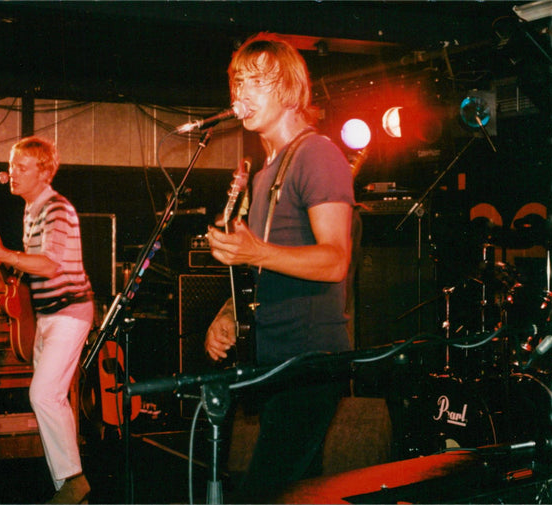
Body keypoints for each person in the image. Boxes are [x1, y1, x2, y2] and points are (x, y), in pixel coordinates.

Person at [204, 33, 355, 502]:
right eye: (237, 83)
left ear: (289, 89)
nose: (239, 96)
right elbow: (266, 268)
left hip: (309, 361)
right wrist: (230, 312)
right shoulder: (268, 171)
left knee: (264, 494)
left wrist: (254, 253)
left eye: (254, 83)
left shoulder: (319, 154)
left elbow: (335, 260)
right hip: (276, 359)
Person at [0, 136, 94, 504]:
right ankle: (70, 490)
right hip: (47, 314)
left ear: (44, 171)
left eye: (22, 167)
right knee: (53, 399)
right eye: (12, 166)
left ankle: (74, 481)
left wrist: (2, 252)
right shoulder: (32, 210)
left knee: (43, 394)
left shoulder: (56, 208)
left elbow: (50, 264)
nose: (12, 174)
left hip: (71, 311)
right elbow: (29, 266)